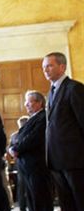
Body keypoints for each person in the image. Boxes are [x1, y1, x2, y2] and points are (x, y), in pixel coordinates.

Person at [43, 52, 84, 211]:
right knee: (66, 203)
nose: (46, 70)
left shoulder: (74, 88)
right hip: (56, 159)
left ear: (62, 66)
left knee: (80, 200)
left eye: (49, 65)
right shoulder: (51, 92)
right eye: (44, 67)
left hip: (75, 159)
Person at [8, 90, 53, 211]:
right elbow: (19, 137)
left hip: (37, 165)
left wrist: (16, 149)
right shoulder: (32, 119)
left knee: (41, 198)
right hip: (28, 166)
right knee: (32, 199)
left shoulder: (43, 117)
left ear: (39, 103)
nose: (26, 104)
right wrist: (12, 148)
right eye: (26, 102)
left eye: (29, 101)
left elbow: (33, 138)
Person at [9, 115, 29, 211]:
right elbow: (10, 147)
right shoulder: (14, 135)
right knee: (21, 187)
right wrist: (12, 152)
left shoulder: (30, 133)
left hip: (31, 163)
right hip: (19, 163)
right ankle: (22, 207)